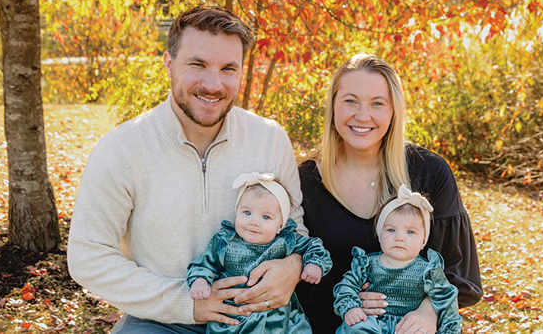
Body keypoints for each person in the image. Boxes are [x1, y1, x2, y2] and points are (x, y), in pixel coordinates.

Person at [67, 6, 308, 334]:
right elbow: (88, 254)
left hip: (257, 318)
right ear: (169, 63)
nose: (214, 84)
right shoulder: (123, 149)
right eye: (198, 65)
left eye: (228, 69)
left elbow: (295, 225)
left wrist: (293, 266)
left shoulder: (269, 138)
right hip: (162, 319)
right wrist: (186, 302)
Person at [295, 54, 483, 334]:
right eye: (350, 100)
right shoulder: (304, 180)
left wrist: (428, 311)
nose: (362, 115)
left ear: (394, 110)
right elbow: (292, 274)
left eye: (377, 104)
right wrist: (347, 300)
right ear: (333, 105)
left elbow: (461, 274)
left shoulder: (429, 172)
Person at [187, 172, 332, 333]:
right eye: (247, 213)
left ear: (280, 225)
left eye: (266, 217)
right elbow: (205, 263)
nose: (254, 222)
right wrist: (200, 281)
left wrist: (314, 264)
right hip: (235, 319)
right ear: (237, 213)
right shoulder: (225, 240)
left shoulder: (286, 240)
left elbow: (313, 246)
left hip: (277, 318)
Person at [333, 184, 462, 334]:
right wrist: (351, 308)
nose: (399, 238)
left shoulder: (428, 270)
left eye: (410, 232)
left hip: (409, 325)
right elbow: (346, 286)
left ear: (423, 241)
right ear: (380, 235)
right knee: (355, 328)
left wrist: (449, 330)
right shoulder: (366, 264)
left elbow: (446, 299)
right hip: (372, 322)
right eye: (391, 230)